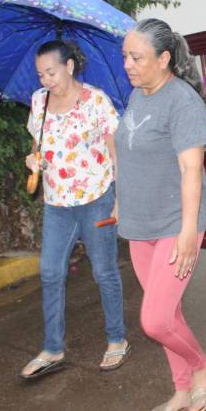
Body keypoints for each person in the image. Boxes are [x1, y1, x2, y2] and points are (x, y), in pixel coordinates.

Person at [115, 18, 206, 411]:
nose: (127, 64)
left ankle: (204, 367)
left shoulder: (182, 102)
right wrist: (119, 200)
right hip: (139, 224)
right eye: (125, 56)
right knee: (169, 314)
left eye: (136, 57)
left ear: (163, 59)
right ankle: (181, 390)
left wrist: (187, 232)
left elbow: (191, 170)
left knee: (155, 319)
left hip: (174, 225)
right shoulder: (137, 95)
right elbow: (130, 152)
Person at [20, 40, 129, 379]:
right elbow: (38, 145)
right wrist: (33, 161)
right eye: (40, 74)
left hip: (96, 198)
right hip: (57, 204)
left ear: (69, 66)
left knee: (104, 271)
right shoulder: (39, 100)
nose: (46, 80)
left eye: (51, 72)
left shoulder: (95, 100)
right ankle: (53, 347)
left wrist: (120, 198)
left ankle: (117, 339)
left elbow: (115, 150)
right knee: (50, 272)